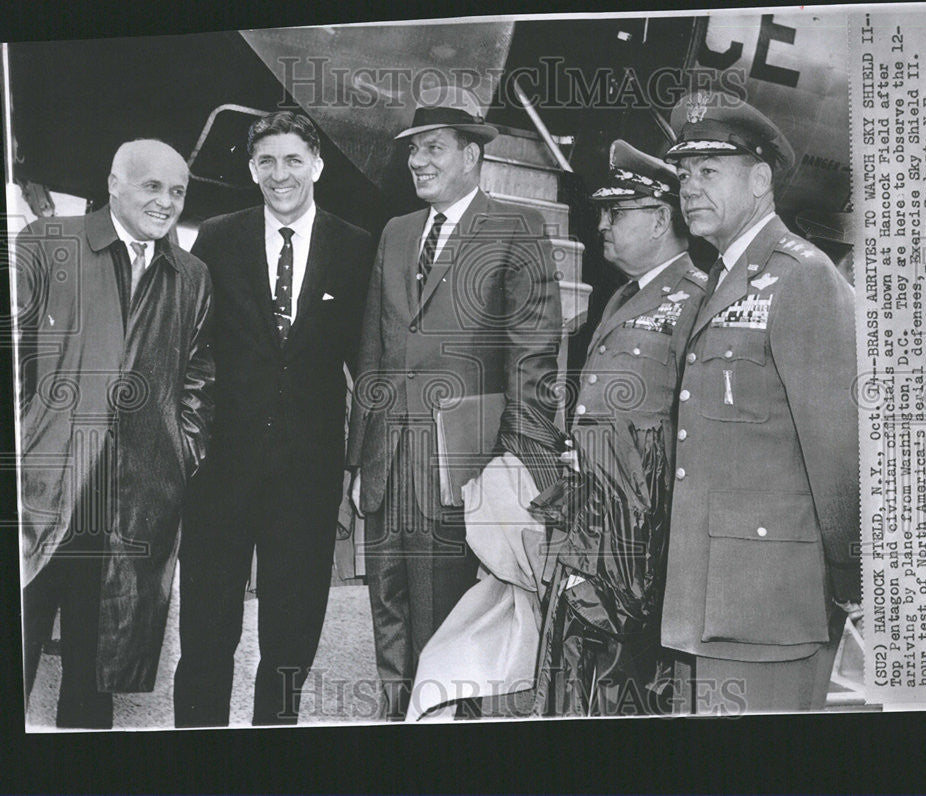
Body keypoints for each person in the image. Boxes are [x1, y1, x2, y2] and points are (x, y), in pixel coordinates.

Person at [346, 85, 563, 720]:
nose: (419, 162)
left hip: (462, 469)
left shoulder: (516, 228)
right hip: (390, 465)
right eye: (414, 150)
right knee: (387, 609)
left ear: (472, 156)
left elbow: (533, 362)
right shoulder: (395, 232)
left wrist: (521, 468)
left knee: (445, 625)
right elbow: (374, 351)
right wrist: (359, 462)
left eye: (433, 148)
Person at [660, 91, 861, 714]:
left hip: (771, 601)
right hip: (712, 594)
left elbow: (840, 443)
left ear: (761, 179)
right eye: (685, 174)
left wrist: (851, 575)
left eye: (709, 172)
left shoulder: (801, 277)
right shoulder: (724, 275)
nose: (689, 188)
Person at [173, 111, 373, 726]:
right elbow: (192, 348)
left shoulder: (356, 245)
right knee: (206, 632)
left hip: (307, 475)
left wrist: (358, 462)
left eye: (292, 160)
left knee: (291, 636)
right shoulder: (217, 236)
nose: (279, 174)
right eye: (266, 161)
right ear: (250, 168)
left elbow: (367, 365)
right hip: (220, 470)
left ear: (317, 165)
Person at [16, 139, 213, 728]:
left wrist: (180, 456)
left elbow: (198, 382)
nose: (166, 202)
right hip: (43, 490)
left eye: (177, 191)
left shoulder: (191, 275)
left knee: (95, 673)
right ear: (114, 183)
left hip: (132, 499)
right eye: (152, 186)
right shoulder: (48, 245)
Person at [532, 140, 708, 717]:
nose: (601, 225)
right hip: (593, 529)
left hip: (643, 544)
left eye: (616, 213)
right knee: (580, 677)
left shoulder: (694, 301)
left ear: (660, 219)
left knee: (629, 688)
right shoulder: (622, 298)